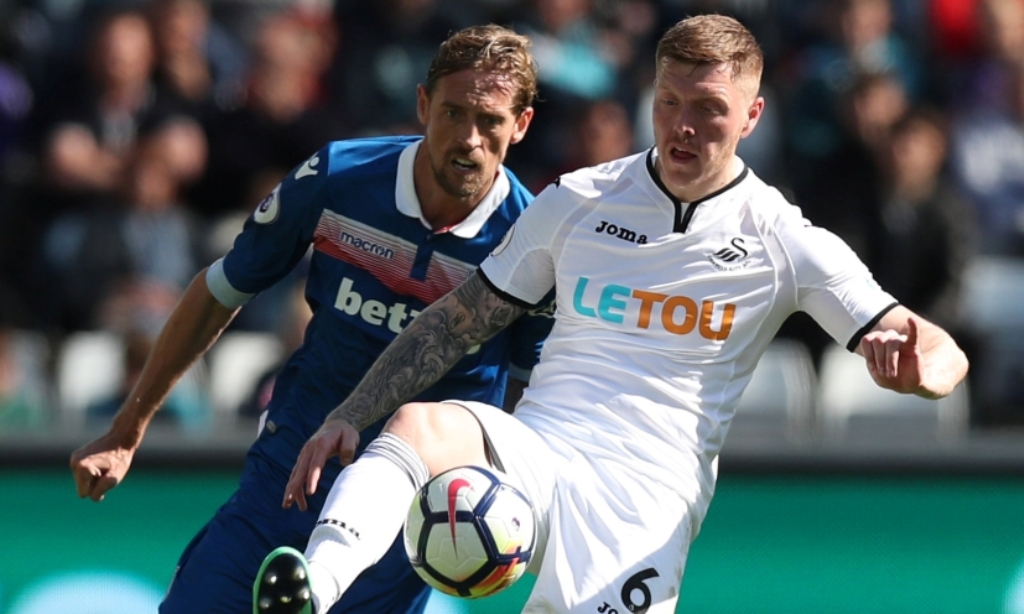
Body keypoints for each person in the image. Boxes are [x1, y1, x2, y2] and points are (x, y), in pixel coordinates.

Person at [255, 14, 971, 614]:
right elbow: (457, 320)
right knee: (419, 425)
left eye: (708, 109)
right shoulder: (580, 200)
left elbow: (937, 346)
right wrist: (353, 412)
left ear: (752, 116)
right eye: (669, 102)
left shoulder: (782, 240)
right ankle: (315, 586)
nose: (682, 126)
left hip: (643, 507)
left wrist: (920, 372)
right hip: (539, 455)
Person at [69, 24, 551, 614]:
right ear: (423, 105)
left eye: (490, 121)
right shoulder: (339, 178)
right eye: (453, 113)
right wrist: (127, 429)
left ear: (521, 125)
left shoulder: (532, 241)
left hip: (412, 519)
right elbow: (221, 290)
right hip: (289, 473)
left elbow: (533, 393)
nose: (469, 138)